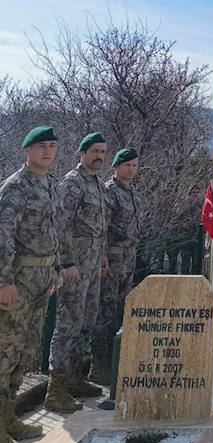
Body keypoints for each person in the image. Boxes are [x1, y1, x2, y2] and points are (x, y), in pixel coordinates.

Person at [0, 126, 63, 443]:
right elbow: (2, 236)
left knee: (24, 354)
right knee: (4, 353)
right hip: (18, 282)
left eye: (52, 146)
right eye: (41, 146)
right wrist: (3, 280)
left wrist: (54, 267)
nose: (48, 151)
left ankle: (9, 418)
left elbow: (52, 230)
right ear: (27, 150)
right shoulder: (15, 187)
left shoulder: (51, 184)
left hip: (41, 279)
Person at [46, 132, 109, 413]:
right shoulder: (73, 183)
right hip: (75, 267)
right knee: (68, 326)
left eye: (103, 151)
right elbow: (61, 226)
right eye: (94, 151)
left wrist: (103, 257)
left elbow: (99, 226)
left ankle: (75, 378)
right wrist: (66, 263)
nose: (99, 156)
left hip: (93, 264)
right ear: (81, 153)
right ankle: (55, 389)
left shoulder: (96, 183)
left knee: (87, 322)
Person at [91, 148, 141, 386]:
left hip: (128, 259)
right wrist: (103, 259)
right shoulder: (110, 191)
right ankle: (98, 365)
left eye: (134, 165)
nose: (131, 169)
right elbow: (102, 228)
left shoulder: (131, 191)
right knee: (105, 312)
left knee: (121, 311)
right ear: (116, 166)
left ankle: (115, 360)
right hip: (112, 259)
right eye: (127, 165)